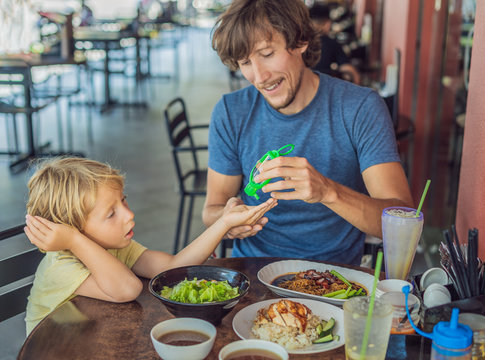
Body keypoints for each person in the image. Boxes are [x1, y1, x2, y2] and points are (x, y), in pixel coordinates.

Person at [203, 0, 413, 264]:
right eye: (245, 62)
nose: (259, 76)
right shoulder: (230, 112)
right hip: (252, 273)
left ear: (300, 41)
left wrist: (327, 191)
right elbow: (211, 210)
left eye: (267, 54)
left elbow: (401, 223)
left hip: (334, 278)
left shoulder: (360, 107)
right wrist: (226, 220)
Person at [23, 157, 276, 335]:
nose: (128, 215)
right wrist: (75, 240)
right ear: (72, 231)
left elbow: (174, 267)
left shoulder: (114, 246)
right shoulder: (60, 265)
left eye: (123, 201)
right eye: (111, 214)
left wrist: (224, 223)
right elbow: (127, 289)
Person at [309, 2, 362, 85]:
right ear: (328, 23)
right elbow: (350, 72)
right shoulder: (331, 43)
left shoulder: (298, 42)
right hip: (323, 88)